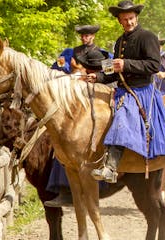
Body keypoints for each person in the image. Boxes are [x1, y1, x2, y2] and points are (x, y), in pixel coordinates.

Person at [86, 0, 165, 183]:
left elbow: (153, 65)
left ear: (136, 17)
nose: (129, 22)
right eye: (125, 19)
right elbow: (113, 71)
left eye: (131, 18)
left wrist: (126, 64)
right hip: (122, 90)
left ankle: (110, 167)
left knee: (122, 117)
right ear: (119, 21)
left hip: (141, 91)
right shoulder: (120, 41)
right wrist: (98, 77)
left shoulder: (147, 37)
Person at [45, 24, 111, 207]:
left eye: (88, 35)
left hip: (97, 97)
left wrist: (93, 75)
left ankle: (104, 181)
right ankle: (63, 189)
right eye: (83, 35)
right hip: (73, 100)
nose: (85, 38)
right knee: (62, 142)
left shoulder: (105, 55)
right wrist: (74, 73)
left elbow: (111, 75)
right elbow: (55, 73)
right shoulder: (69, 53)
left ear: (94, 36)